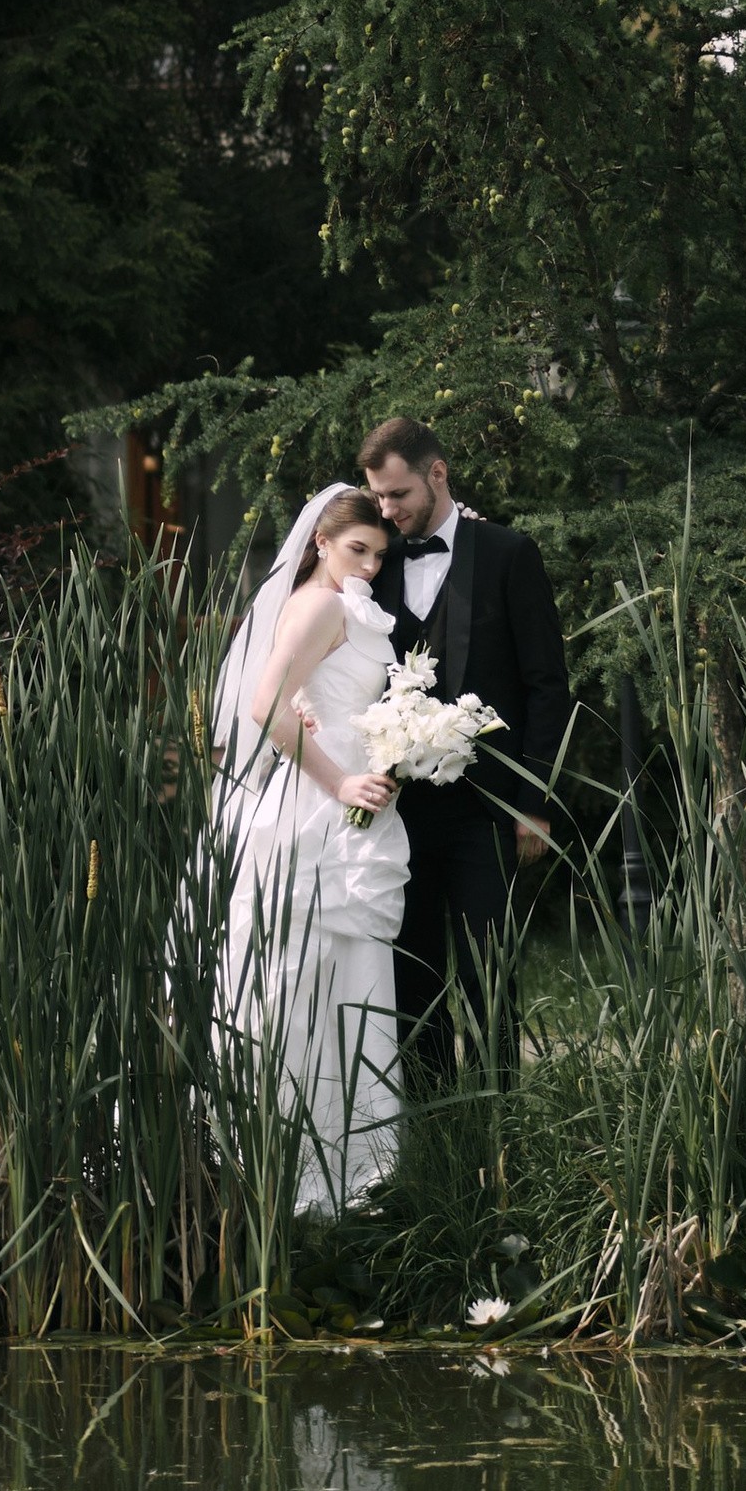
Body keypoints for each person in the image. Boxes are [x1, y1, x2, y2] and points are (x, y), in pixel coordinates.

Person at [356, 418, 570, 1090]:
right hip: (398, 814)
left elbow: (545, 686)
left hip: (486, 812)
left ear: (438, 474)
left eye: (398, 495)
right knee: (409, 980)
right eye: (379, 498)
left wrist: (534, 804)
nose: (387, 510)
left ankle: (495, 1137)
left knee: (488, 977)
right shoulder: (375, 562)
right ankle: (427, 1139)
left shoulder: (508, 554)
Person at [212, 484, 408, 1208]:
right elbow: (264, 706)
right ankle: (300, 1175)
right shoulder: (320, 604)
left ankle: (345, 1176)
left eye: (380, 556)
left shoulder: (343, 606)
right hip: (313, 812)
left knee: (344, 987)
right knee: (299, 986)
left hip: (345, 807)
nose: (368, 567)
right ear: (320, 542)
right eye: (357, 550)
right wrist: (340, 783)